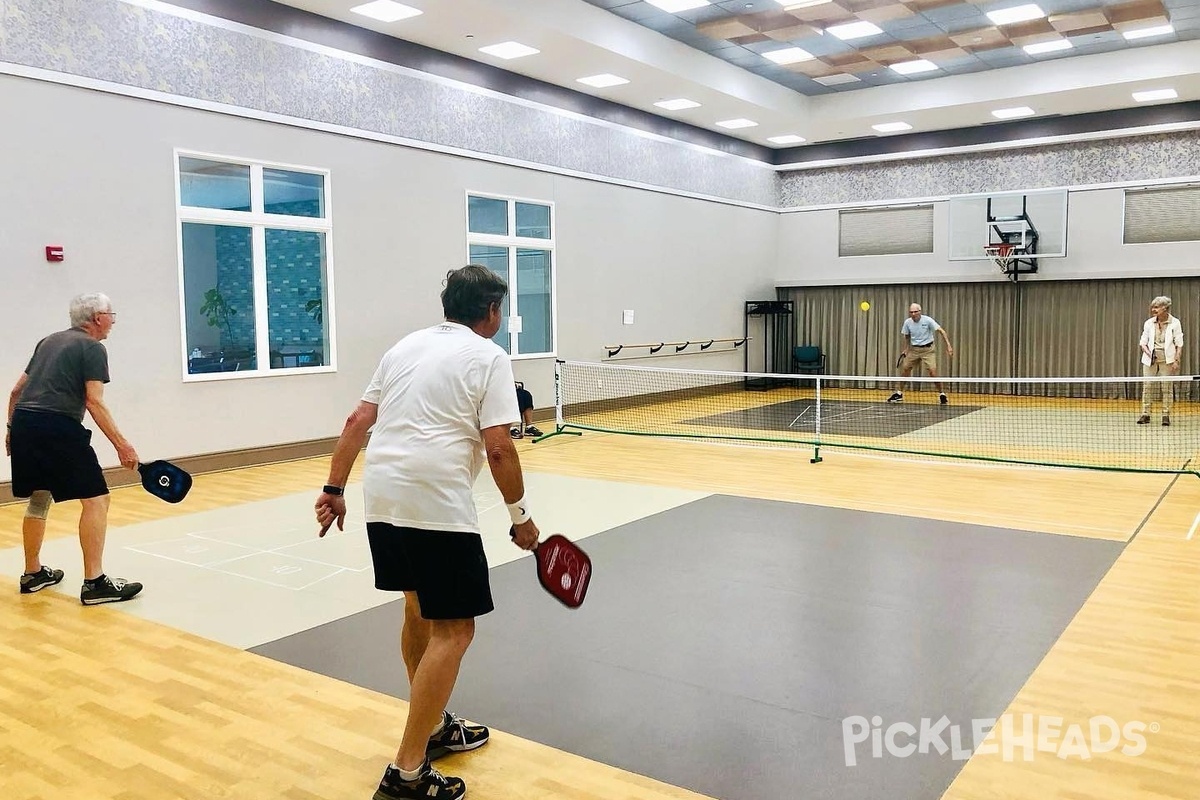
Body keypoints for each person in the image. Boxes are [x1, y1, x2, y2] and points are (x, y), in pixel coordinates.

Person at [314, 264, 539, 800]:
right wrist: (522, 518)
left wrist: (334, 487)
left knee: (418, 607)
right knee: (456, 631)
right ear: (490, 311)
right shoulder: (489, 357)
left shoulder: (404, 347)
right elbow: (501, 447)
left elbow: (356, 422)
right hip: (434, 501)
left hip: (382, 494)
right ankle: (407, 772)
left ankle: (433, 727)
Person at [5, 293, 144, 605]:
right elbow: (94, 400)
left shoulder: (49, 341)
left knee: (40, 498)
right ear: (96, 318)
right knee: (97, 499)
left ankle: (33, 573)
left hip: (26, 422)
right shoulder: (93, 347)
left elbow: (16, 391)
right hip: (57, 425)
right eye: (111, 314)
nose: (113, 320)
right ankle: (95, 583)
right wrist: (123, 445)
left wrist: (12, 430)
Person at [887, 303, 954, 404]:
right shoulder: (907, 322)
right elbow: (906, 336)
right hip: (914, 350)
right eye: (911, 312)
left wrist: (948, 346)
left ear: (920, 312)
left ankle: (942, 394)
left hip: (928, 350)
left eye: (915, 312)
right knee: (905, 369)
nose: (913, 314)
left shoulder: (927, 320)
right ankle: (899, 393)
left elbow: (942, 331)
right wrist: (906, 348)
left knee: (933, 372)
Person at [1137, 295, 1184, 426]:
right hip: (1150, 360)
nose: (1153, 309)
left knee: (1166, 387)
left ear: (1165, 308)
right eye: (1153, 307)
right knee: (1147, 386)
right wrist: (1149, 354)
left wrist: (1176, 361)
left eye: (1156, 307)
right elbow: (1143, 343)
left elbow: (1179, 344)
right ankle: (1145, 414)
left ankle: (1166, 415)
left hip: (1167, 360)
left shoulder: (1175, 323)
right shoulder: (1148, 323)